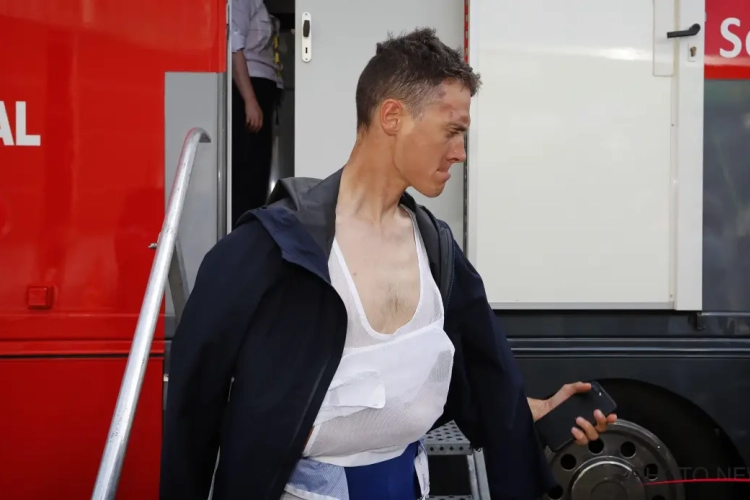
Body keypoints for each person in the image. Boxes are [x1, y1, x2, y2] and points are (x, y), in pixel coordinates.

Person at [160, 28, 617, 500]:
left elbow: (481, 380)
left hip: (405, 484)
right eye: (452, 131)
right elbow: (195, 406)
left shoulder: (437, 249)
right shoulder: (273, 247)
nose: (460, 153)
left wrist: (539, 410)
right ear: (393, 116)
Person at [230, 0, 283, 226]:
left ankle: (251, 229)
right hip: (250, 88)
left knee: (259, 171)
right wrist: (250, 100)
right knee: (248, 172)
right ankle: (242, 231)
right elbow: (234, 46)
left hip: (263, 89)